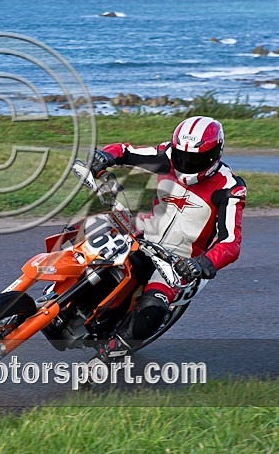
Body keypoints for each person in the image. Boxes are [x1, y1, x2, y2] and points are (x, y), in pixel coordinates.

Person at [91, 116, 246, 357]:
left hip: (181, 261)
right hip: (142, 234)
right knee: (89, 240)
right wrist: (106, 156)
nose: (185, 163)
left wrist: (201, 264)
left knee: (153, 306)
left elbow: (230, 243)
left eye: (196, 159)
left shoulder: (230, 188)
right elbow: (126, 151)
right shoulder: (166, 154)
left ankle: (113, 352)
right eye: (182, 155)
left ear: (216, 154)